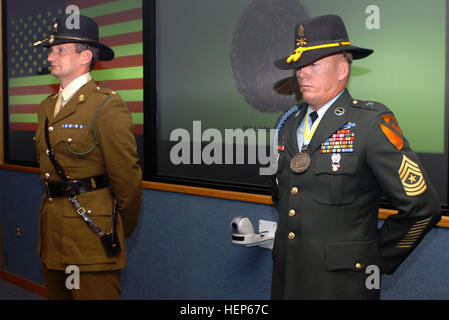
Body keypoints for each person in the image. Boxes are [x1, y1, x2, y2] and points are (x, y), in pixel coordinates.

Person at [270, 14, 441, 300]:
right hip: (288, 279)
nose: (302, 73)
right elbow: (284, 195)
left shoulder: (369, 123)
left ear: (342, 70)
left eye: (313, 64)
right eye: (300, 66)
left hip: (342, 287)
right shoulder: (288, 123)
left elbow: (422, 207)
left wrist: (372, 257)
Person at [32, 15, 142, 299]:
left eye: (60, 49)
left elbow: (126, 179)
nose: (51, 56)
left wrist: (116, 225)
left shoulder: (106, 105)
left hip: (91, 236)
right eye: (51, 50)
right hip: (54, 235)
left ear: (86, 56)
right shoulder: (47, 107)